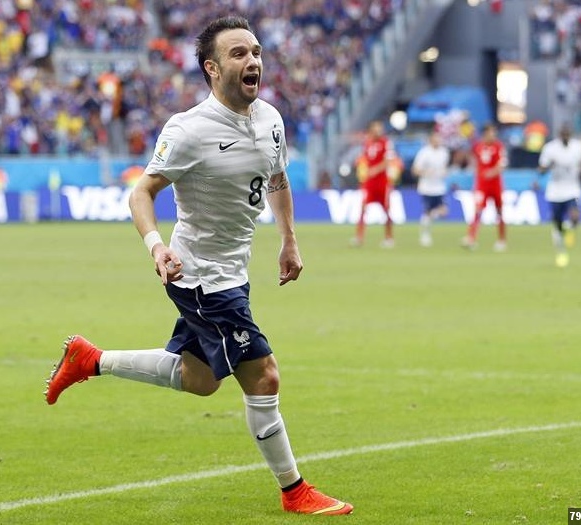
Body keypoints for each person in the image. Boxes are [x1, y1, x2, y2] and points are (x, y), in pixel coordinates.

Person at [44, 16, 353, 516]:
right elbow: (141, 193)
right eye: (238, 54)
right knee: (264, 377)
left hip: (234, 272)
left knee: (201, 378)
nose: (253, 61)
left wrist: (289, 241)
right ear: (212, 68)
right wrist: (156, 247)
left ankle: (91, 359)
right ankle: (294, 491)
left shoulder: (271, 120)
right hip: (200, 276)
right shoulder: (189, 129)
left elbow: (276, 179)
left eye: (256, 52)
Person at [537, 124, 581, 267]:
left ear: (570, 134)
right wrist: (549, 166)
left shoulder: (578, 147)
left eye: (567, 134)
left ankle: (569, 228)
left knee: (575, 217)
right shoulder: (550, 148)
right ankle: (561, 245)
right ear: (559, 135)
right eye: (563, 134)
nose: (566, 137)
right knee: (557, 221)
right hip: (556, 189)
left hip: (573, 187)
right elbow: (541, 169)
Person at [462, 123, 508, 251]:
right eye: (491, 132)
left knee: (499, 212)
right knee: (477, 211)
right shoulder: (478, 146)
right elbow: (472, 158)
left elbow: (502, 164)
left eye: (494, 132)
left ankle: (502, 240)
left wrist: (492, 172)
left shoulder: (499, 146)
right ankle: (471, 238)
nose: (493, 135)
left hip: (496, 185)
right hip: (482, 185)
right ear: (485, 134)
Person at [352, 120, 396, 248]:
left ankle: (389, 238)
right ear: (371, 130)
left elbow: (388, 161)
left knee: (386, 210)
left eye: (379, 128)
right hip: (370, 183)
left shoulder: (386, 143)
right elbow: (364, 159)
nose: (378, 131)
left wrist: (375, 170)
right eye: (375, 129)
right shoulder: (367, 143)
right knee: (363, 208)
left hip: (382, 182)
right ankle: (359, 237)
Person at [411, 131, 451, 247]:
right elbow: (415, 170)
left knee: (444, 211)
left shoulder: (444, 152)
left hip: (439, 188)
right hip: (426, 188)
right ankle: (424, 235)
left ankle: (431, 216)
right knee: (427, 212)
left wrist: (444, 173)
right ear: (431, 139)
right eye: (435, 138)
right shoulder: (424, 153)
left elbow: (444, 168)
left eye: (439, 138)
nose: (438, 140)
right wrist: (426, 172)